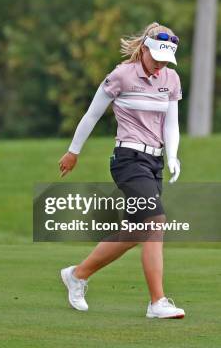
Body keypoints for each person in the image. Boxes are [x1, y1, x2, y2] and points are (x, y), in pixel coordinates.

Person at [58, 22, 185, 319]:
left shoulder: (171, 78)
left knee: (138, 230)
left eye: (166, 61)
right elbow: (91, 114)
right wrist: (73, 152)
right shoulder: (121, 76)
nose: (160, 66)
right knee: (155, 221)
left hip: (153, 164)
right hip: (128, 160)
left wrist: (173, 156)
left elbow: (172, 122)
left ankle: (77, 274)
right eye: (156, 59)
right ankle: (157, 302)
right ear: (143, 50)